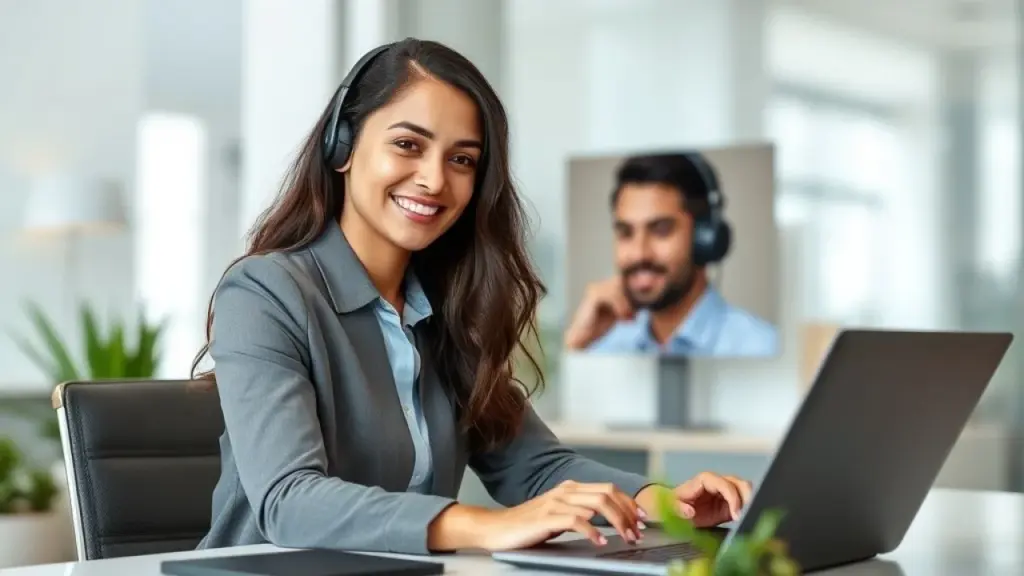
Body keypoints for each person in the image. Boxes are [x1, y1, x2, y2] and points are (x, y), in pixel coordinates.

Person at [192, 39, 752, 556]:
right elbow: (288, 500)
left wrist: (667, 502)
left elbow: (534, 467)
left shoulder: (445, 309)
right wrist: (488, 524)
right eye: (408, 145)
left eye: (462, 159)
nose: (434, 180)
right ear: (342, 147)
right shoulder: (266, 294)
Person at [564, 152, 779, 357]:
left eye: (661, 230)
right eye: (626, 232)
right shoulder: (599, 345)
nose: (639, 254)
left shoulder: (761, 346)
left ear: (704, 238)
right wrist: (575, 342)